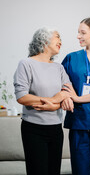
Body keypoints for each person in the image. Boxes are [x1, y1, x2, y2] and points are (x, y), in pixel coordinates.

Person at [34, 17, 90, 175]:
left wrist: (77, 98)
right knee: (80, 172)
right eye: (78, 32)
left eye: (82, 33)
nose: (78, 36)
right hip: (78, 123)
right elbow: (61, 84)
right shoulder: (71, 58)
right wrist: (67, 97)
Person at [13, 27, 73, 175]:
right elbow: (22, 96)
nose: (61, 41)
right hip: (33, 129)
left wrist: (54, 106)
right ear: (43, 39)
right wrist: (53, 100)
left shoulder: (59, 68)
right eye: (57, 37)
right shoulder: (26, 64)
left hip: (56, 129)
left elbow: (67, 92)